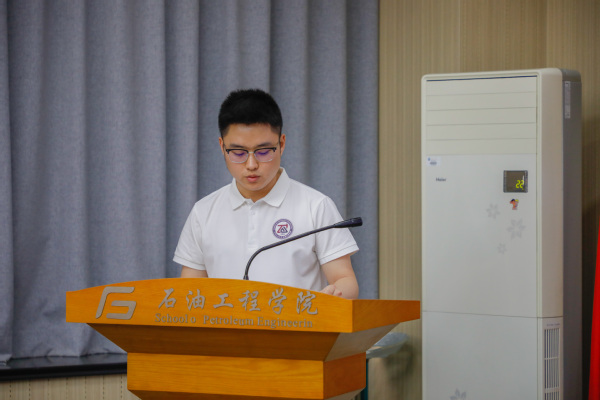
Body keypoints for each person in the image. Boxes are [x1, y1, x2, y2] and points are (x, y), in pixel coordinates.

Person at [173, 88, 359, 299]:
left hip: (298, 320)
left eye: (263, 152)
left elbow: (345, 279)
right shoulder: (203, 212)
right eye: (238, 153)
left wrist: (334, 296)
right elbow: (189, 291)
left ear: (281, 144)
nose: (251, 164)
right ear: (222, 146)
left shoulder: (316, 206)